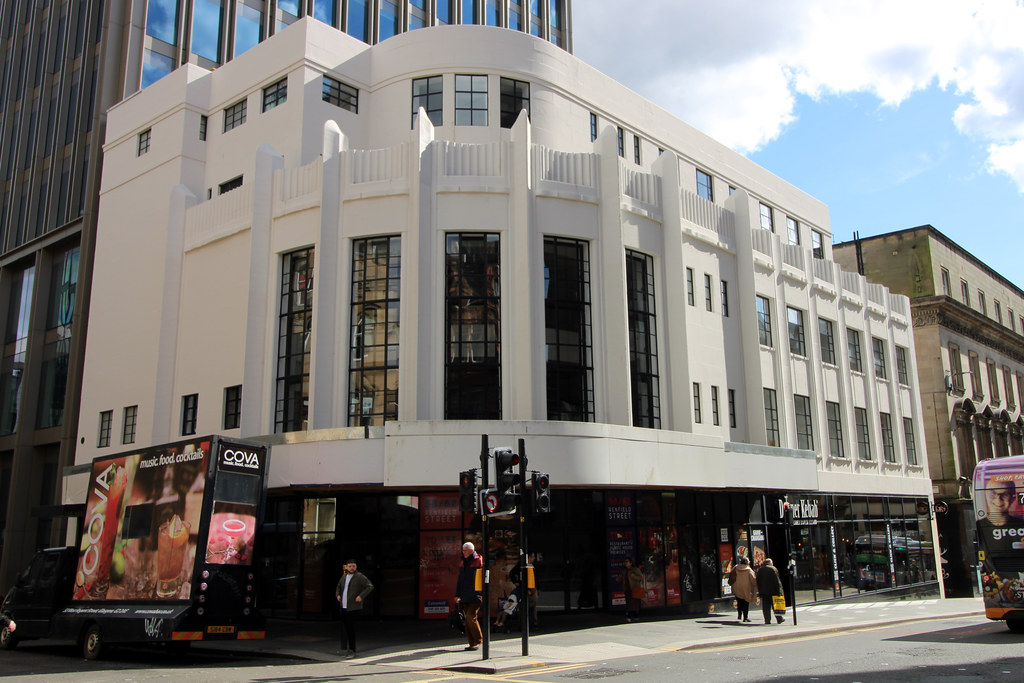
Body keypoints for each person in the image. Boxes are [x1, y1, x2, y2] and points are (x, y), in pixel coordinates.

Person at [335, 559, 374, 658]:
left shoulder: (359, 576)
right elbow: (339, 587)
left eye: (353, 566)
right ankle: (349, 649)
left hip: (353, 607)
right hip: (344, 606)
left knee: (350, 628)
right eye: (350, 566)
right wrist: (338, 595)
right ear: (346, 567)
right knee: (346, 628)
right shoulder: (344, 576)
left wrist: (361, 596)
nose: (352, 568)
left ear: (356, 567)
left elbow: (369, 586)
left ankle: (352, 649)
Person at [454, 541, 484, 651]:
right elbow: (460, 579)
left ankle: (478, 640)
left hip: (476, 594)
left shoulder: (478, 560)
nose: (463, 552)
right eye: (463, 550)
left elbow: (482, 578)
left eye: (465, 550)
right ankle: (472, 643)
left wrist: (481, 593)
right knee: (467, 619)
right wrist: (457, 594)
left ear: (471, 550)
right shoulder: (463, 562)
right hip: (465, 594)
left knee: (471, 617)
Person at [509, 551, 539, 627]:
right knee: (524, 606)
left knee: (533, 605)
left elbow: (536, 578)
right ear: (528, 557)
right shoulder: (522, 565)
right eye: (532, 557)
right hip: (525, 587)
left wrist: (538, 588)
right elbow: (512, 573)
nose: (533, 558)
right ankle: (524, 623)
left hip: (533, 587)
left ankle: (533, 622)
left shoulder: (532, 566)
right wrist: (515, 582)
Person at [728, 557, 758, 622]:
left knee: (739, 601)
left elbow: (731, 576)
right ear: (747, 562)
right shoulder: (749, 570)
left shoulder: (735, 568)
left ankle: (739, 614)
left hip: (737, 587)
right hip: (746, 588)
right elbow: (753, 580)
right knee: (746, 602)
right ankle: (745, 617)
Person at [756, 558, 786, 625]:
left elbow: (758, 580)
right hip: (773, 591)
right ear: (770, 563)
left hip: (764, 591)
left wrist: (760, 590)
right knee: (775, 606)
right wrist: (779, 591)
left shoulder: (760, 570)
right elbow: (777, 581)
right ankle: (779, 618)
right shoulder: (773, 569)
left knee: (766, 607)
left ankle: (767, 620)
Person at [617, 558, 645, 623]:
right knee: (629, 603)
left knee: (633, 604)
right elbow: (622, 577)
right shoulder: (624, 570)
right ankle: (635, 616)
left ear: (631, 563)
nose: (626, 563)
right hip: (627, 589)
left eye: (627, 562)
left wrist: (633, 576)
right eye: (625, 562)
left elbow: (641, 577)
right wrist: (618, 579)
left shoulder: (635, 569)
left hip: (634, 589)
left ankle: (630, 616)